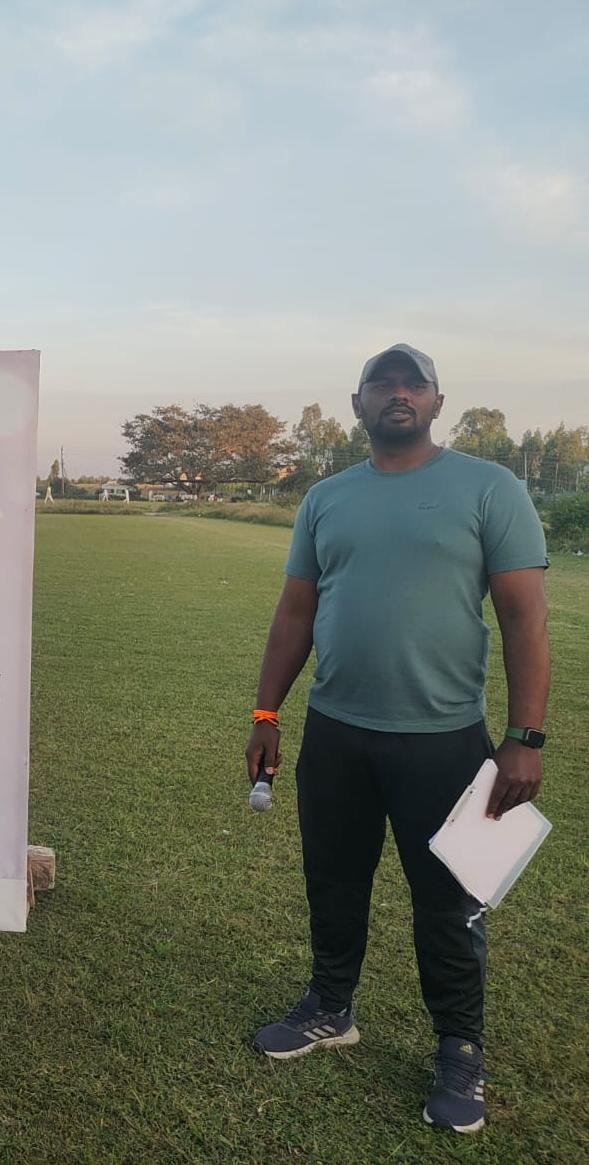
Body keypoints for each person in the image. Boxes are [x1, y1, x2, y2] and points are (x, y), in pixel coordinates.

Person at [245, 344, 549, 1134]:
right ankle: (330, 1006)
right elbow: (295, 613)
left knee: (446, 904)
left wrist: (523, 736)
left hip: (443, 742)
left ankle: (458, 1047)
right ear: (358, 404)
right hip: (336, 734)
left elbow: (524, 616)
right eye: (382, 384)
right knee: (332, 881)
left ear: (437, 402)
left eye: (414, 384)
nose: (398, 394)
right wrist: (266, 715)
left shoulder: (488, 487)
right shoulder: (326, 497)